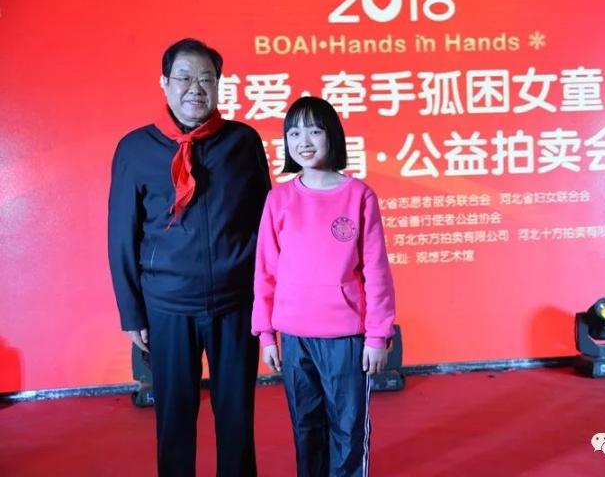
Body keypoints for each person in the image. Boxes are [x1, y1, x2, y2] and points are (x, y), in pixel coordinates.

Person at [108, 37, 270, 476]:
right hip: (167, 306)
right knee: (174, 418)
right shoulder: (136, 148)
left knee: (236, 416)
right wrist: (131, 311)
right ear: (164, 83)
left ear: (218, 85)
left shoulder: (242, 142)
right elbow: (121, 234)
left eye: (206, 79)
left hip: (235, 303)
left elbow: (266, 224)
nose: (195, 88)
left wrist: (267, 300)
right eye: (184, 77)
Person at [251, 96, 396, 477]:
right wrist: (266, 334)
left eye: (314, 131)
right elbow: (265, 270)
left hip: (345, 338)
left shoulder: (359, 196)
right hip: (294, 337)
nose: (304, 141)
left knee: (347, 429)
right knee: (306, 427)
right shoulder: (278, 199)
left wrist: (377, 335)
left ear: (332, 135)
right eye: (294, 133)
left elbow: (376, 271)